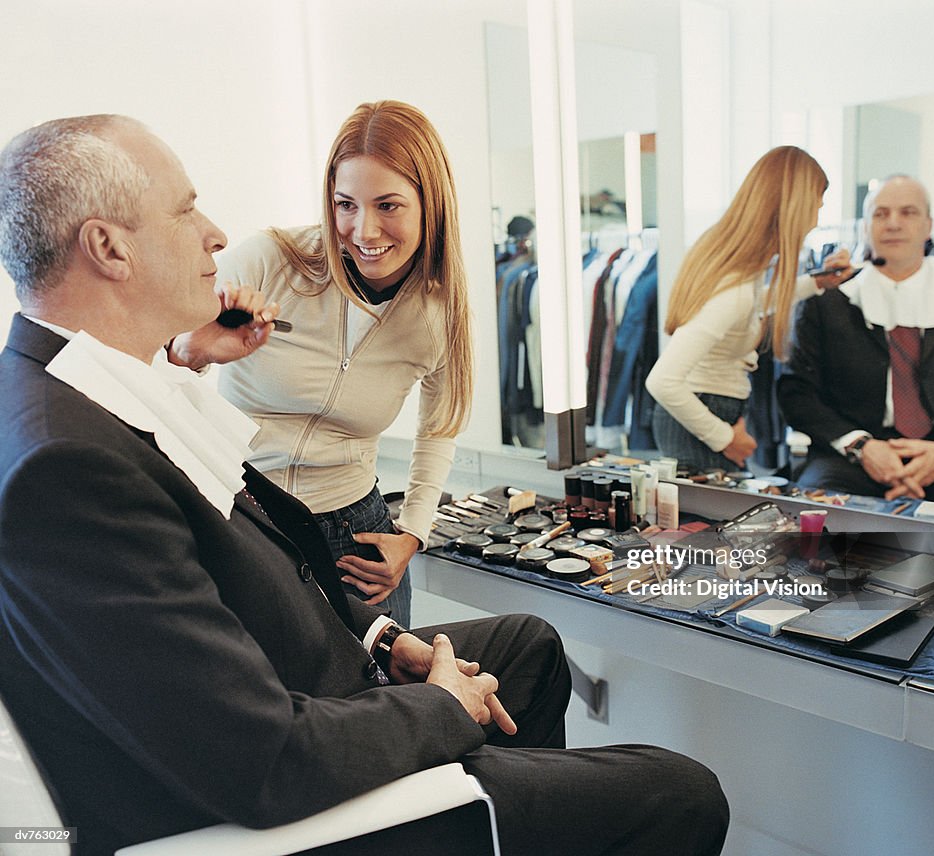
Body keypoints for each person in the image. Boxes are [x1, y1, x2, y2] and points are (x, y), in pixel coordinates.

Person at [0, 115, 729, 856]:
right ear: (109, 247)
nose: (216, 235)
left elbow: (242, 587)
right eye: (187, 212)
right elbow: (261, 761)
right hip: (277, 785)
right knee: (680, 792)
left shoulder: (103, 392)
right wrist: (441, 707)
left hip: (312, 643)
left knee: (532, 651)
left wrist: (382, 637)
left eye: (388, 206)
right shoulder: (69, 466)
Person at [207, 101, 473, 629]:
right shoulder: (269, 260)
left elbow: (439, 426)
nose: (363, 230)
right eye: (345, 204)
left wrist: (413, 532)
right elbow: (160, 351)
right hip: (242, 515)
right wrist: (194, 349)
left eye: (388, 205)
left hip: (354, 539)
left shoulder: (438, 312)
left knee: (384, 702)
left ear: (431, 203)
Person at [777, 175, 934, 507]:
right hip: (856, 459)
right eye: (881, 214)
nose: (893, 223)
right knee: (814, 508)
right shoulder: (827, 300)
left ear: (929, 226)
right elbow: (797, 391)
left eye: (907, 212)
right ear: (866, 227)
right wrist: (862, 446)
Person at [645, 146, 844, 471]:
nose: (815, 222)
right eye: (816, 207)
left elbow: (750, 305)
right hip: (702, 418)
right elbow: (662, 381)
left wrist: (817, 283)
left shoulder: (736, 268)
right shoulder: (735, 286)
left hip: (707, 410)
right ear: (795, 207)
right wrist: (725, 438)